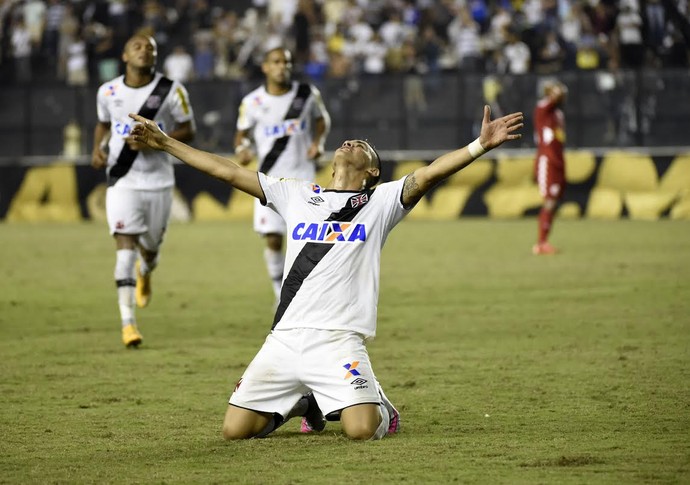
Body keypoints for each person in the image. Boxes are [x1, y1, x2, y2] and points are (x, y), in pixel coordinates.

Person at [128, 105, 523, 440]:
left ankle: (380, 405)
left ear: (372, 171)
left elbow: (430, 173)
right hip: (284, 339)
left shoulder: (380, 201)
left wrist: (479, 146)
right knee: (234, 430)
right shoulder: (297, 194)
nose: (352, 142)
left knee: (361, 430)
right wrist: (165, 143)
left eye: (363, 146)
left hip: (338, 341)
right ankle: (305, 399)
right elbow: (228, 172)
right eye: (349, 141)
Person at [91, 33, 196, 348]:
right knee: (124, 249)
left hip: (159, 183)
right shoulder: (107, 91)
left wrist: (157, 139)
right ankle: (128, 324)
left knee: (149, 252)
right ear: (125, 55)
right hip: (122, 180)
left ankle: (146, 270)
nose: (144, 50)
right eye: (137, 46)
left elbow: (188, 128)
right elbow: (102, 123)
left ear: (155, 55)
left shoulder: (171, 90)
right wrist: (96, 148)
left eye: (150, 47)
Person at [234, 47, 331, 304]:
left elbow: (322, 120)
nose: (282, 67)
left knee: (307, 239)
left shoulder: (306, 93)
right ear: (265, 67)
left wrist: (318, 142)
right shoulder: (252, 102)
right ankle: (280, 296)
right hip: (269, 181)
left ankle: (308, 294)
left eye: (286, 62)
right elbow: (241, 134)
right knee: (274, 239)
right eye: (276, 62)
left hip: (303, 178)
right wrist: (242, 149)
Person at [532, 80, 567, 255]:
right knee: (549, 201)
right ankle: (541, 243)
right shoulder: (542, 108)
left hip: (558, 160)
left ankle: (544, 241)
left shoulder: (558, 114)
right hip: (547, 160)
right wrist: (554, 90)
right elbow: (550, 100)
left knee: (553, 202)